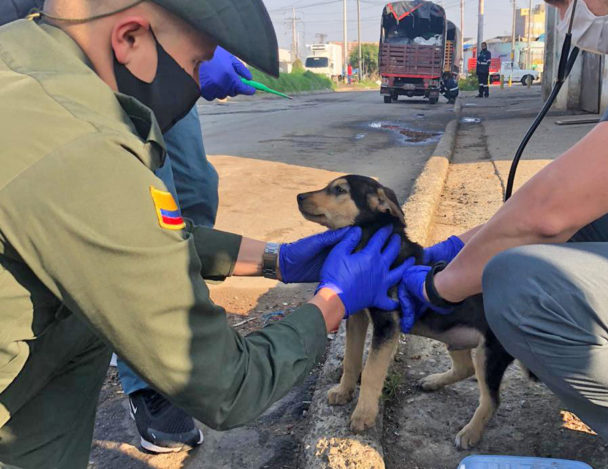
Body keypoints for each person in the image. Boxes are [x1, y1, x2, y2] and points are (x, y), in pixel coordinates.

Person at [0, 1, 414, 468]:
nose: (198, 85)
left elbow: (134, 238)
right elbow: (228, 385)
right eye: (197, 64)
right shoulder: (83, 153)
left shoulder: (24, 61)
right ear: (130, 38)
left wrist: (278, 258)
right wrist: (333, 302)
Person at [398, 0, 608, 467]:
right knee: (584, 221)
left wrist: (436, 287)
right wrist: (453, 250)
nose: (565, 19)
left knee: (519, 285)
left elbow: (548, 214)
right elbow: (578, 197)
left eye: (563, 3)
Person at [117, 47, 256, 453]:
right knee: (153, 208)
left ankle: (181, 322)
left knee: (197, 189)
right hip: (114, 58)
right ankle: (148, 376)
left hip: (162, 53)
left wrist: (202, 46)